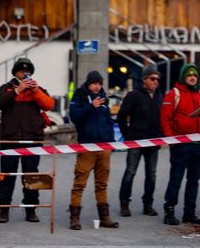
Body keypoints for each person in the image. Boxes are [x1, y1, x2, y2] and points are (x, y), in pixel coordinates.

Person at [0, 57, 54, 224]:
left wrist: (36, 91)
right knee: (7, 176)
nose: (25, 74)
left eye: (27, 72)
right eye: (21, 71)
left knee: (32, 176)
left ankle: (31, 210)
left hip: (32, 140)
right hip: (10, 140)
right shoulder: (6, 88)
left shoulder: (38, 89)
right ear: (15, 73)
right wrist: (17, 90)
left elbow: (49, 105)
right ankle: (4, 210)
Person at [160, 64, 200, 225]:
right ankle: (169, 211)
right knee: (176, 178)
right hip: (181, 145)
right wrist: (172, 141)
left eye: (195, 75)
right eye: (189, 75)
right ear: (183, 77)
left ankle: (189, 213)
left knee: (194, 180)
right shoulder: (174, 94)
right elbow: (165, 118)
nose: (192, 78)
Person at [68, 70, 119, 230]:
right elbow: (74, 117)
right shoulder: (79, 96)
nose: (97, 87)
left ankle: (105, 217)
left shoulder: (104, 98)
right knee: (79, 184)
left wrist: (111, 144)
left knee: (102, 184)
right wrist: (91, 106)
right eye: (94, 83)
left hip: (104, 148)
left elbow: (109, 122)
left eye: (99, 83)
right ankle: (74, 218)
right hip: (87, 147)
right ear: (88, 84)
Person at [117, 65, 164, 217]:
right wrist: (127, 135)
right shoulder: (133, 95)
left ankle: (148, 205)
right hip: (136, 140)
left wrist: (161, 134)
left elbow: (163, 118)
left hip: (153, 141)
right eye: (152, 78)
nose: (155, 81)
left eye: (157, 79)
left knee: (152, 174)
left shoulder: (160, 96)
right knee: (130, 172)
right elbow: (121, 116)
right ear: (144, 80)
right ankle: (124, 204)